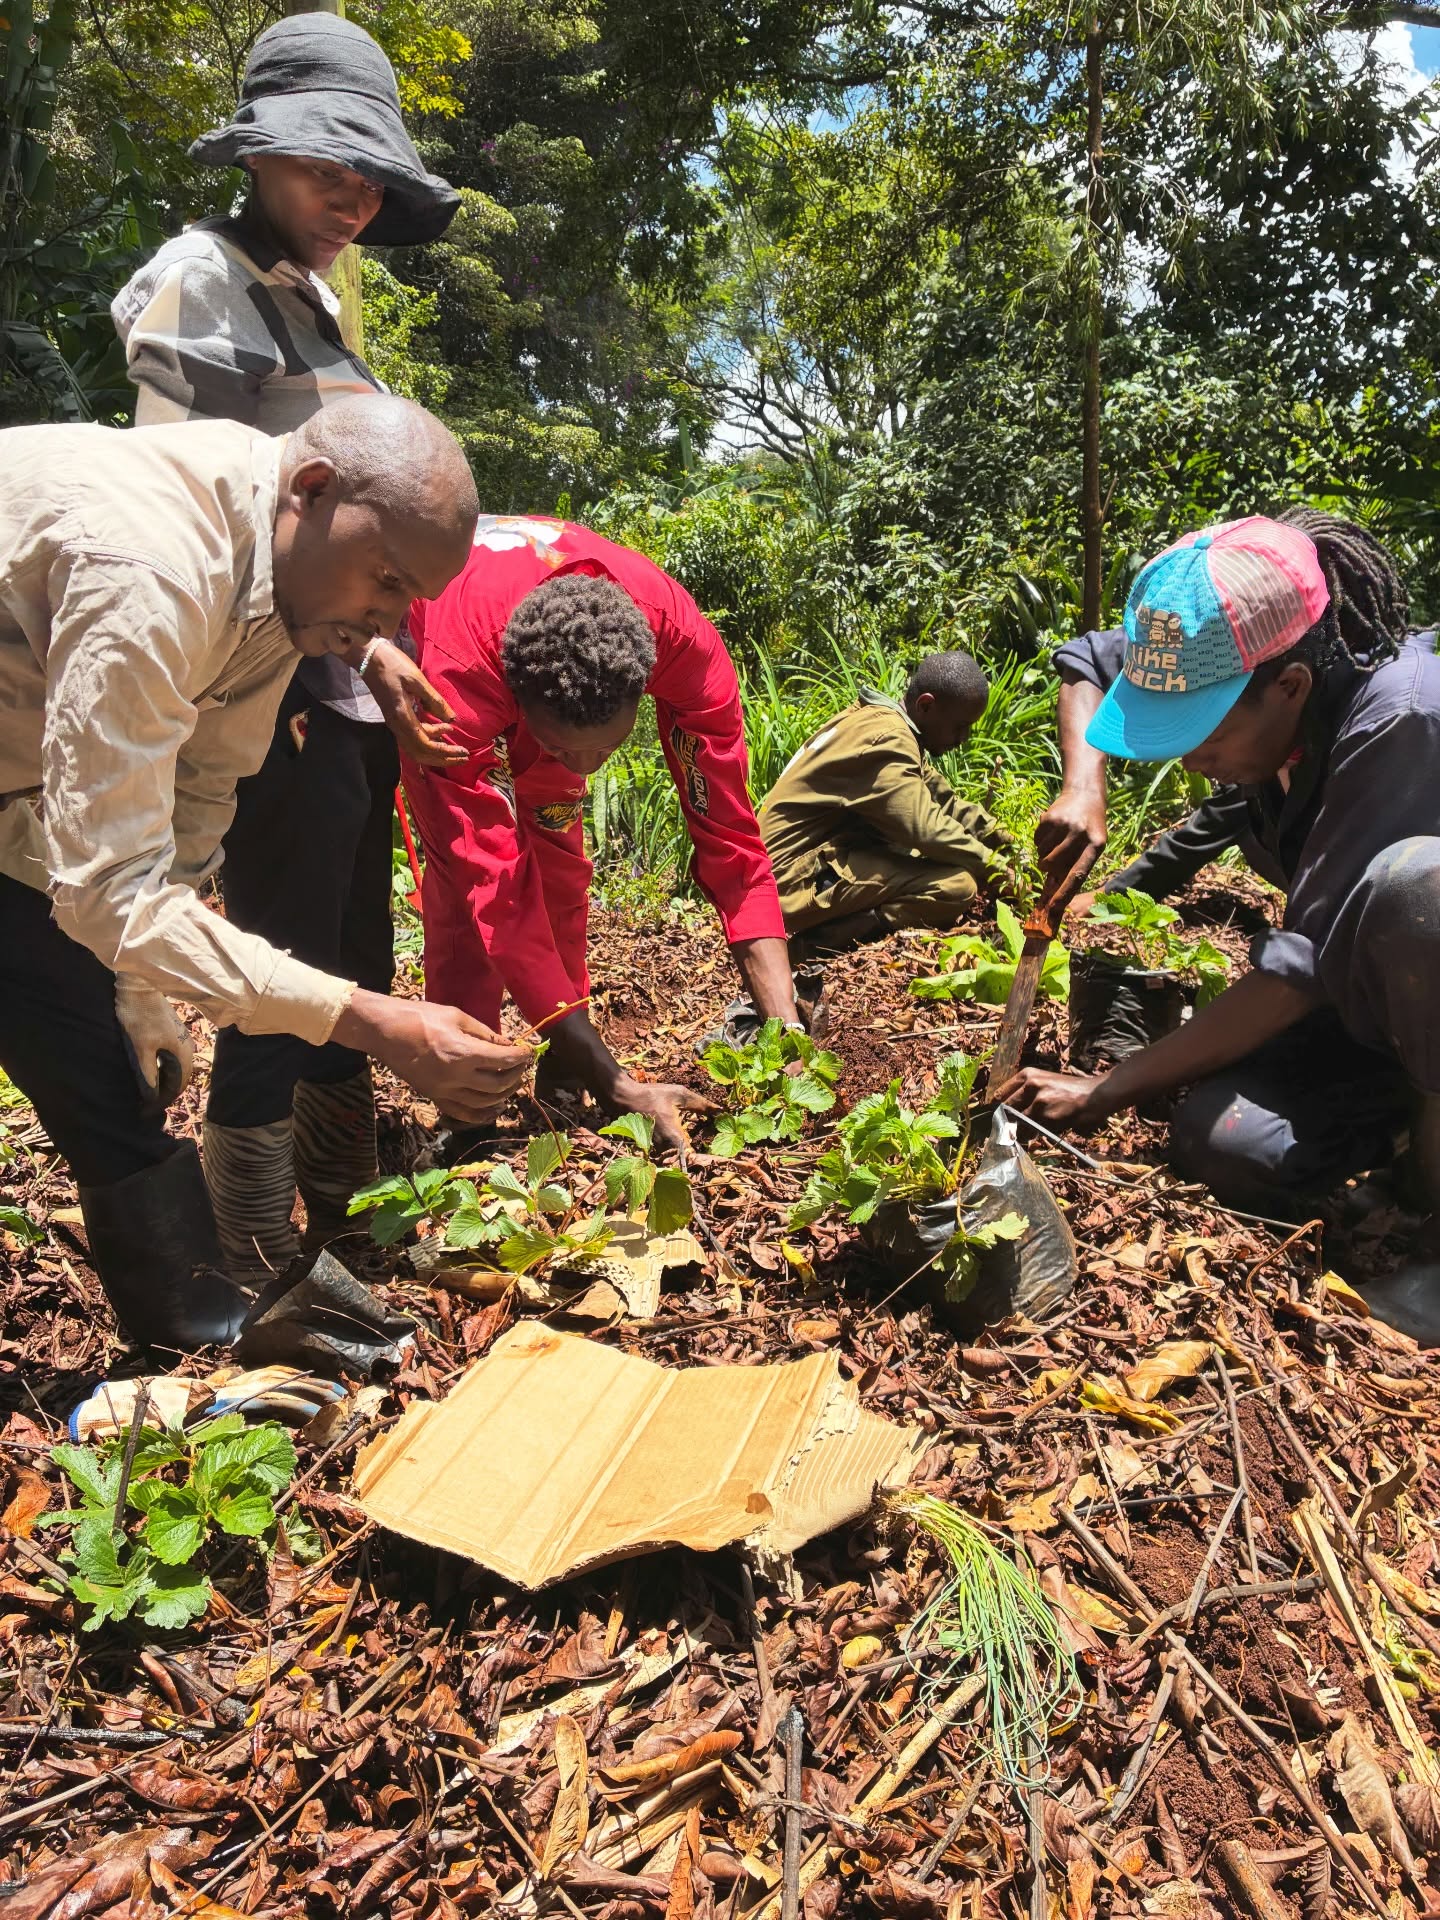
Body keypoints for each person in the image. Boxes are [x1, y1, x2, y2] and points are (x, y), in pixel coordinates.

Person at [0, 398, 531, 1350]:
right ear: (313, 492)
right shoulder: (154, 569)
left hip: (14, 804)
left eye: (409, 601)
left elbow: (198, 799)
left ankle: (198, 1337)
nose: (387, 622)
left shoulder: (279, 583)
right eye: (384, 581)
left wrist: (139, 985)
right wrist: (377, 1020)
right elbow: (108, 887)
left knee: (98, 1062)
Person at [111, 11, 465, 1283]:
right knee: (284, 955)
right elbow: (192, 499)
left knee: (354, 949)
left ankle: (342, 1195)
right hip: (264, 682)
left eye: (369, 178)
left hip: (335, 681)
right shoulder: (202, 277)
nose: (352, 198)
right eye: (329, 167)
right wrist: (343, 660)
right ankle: (249, 1225)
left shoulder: (306, 295)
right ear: (260, 154)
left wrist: (375, 658)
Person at [1001, 510, 1440, 1225]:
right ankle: (1393, 1120)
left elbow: (1297, 974)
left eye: (1200, 731)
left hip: (1421, 987)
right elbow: (1086, 661)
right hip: (1360, 996)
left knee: (1418, 890)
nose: (1189, 759)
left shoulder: (1401, 720)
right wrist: (1084, 784)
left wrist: (1103, 1088)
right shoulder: (1217, 651)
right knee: (1229, 1144)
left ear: (1291, 686)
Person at [402, 516, 802, 1148]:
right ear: (521, 704)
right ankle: (466, 1109)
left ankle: (567, 1059)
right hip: (451, 652)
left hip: (528, 657)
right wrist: (620, 1084)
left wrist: (786, 1030)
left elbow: (732, 840)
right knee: (464, 897)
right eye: (565, 748)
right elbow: (492, 883)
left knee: (560, 865)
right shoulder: (458, 684)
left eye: (608, 747)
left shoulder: (682, 648)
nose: (589, 769)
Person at [758, 653, 1013, 948]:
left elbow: (947, 804)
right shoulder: (889, 740)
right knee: (955, 886)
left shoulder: (883, 726)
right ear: (926, 705)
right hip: (783, 882)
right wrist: (999, 871)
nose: (963, 738)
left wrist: (1011, 846)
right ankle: (818, 945)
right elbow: (926, 830)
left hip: (786, 868)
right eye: (960, 726)